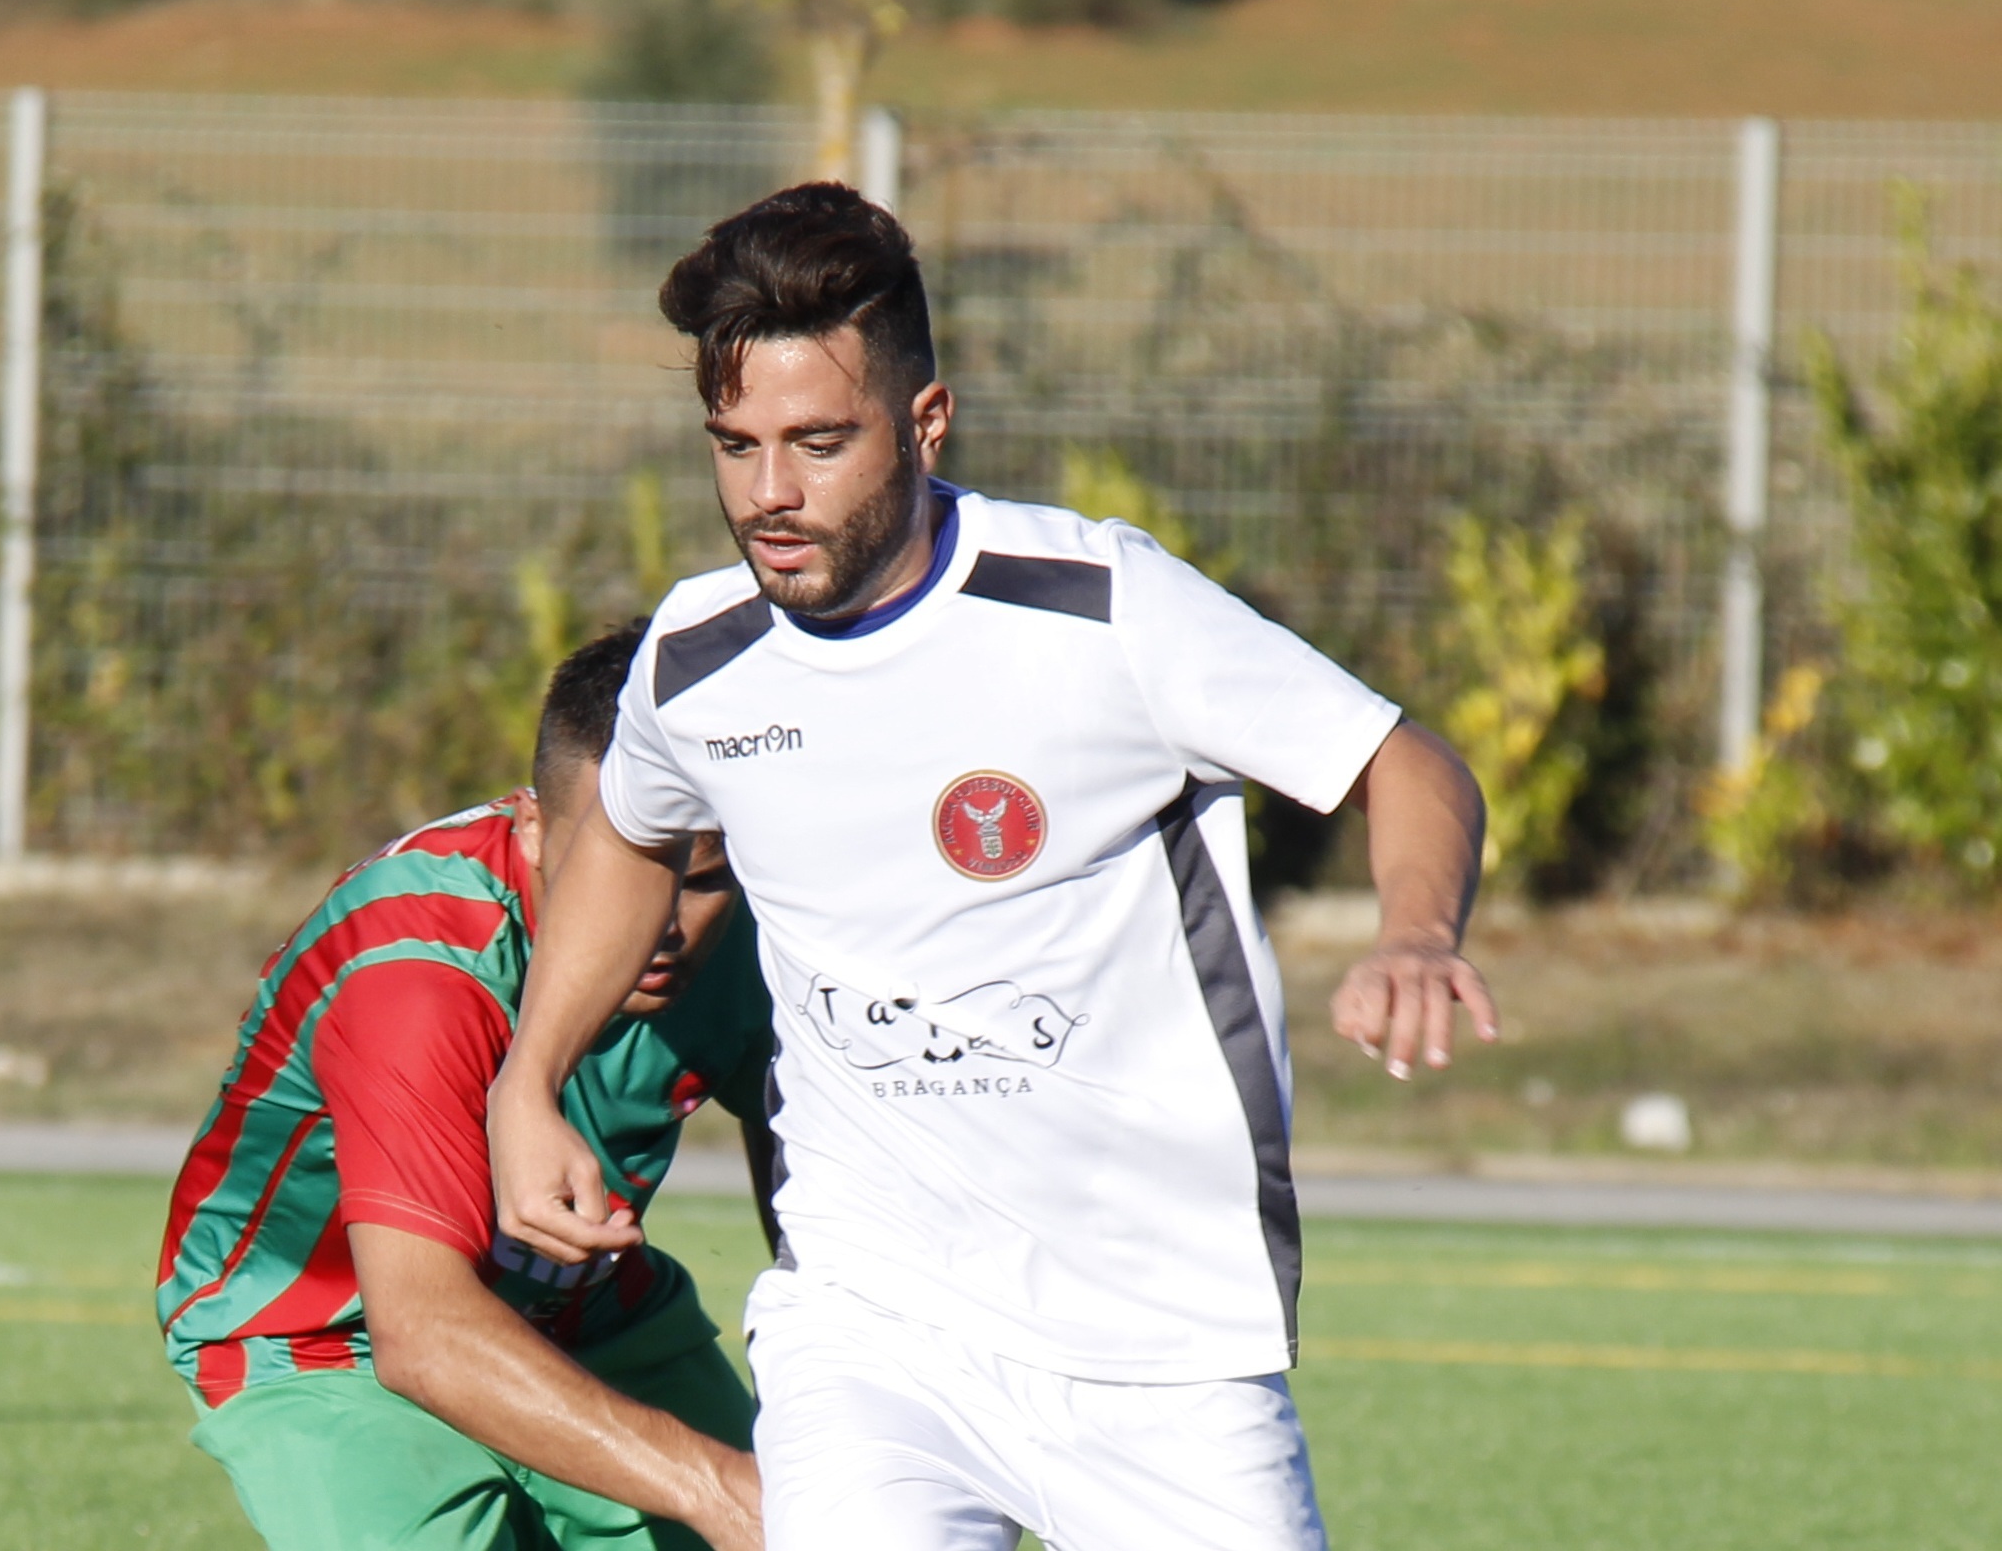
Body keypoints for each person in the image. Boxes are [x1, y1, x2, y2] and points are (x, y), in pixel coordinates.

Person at [486, 183, 1500, 1551]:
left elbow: (1402, 761)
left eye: (817, 443)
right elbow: (627, 827)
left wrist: (1418, 933)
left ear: (927, 420)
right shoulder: (699, 662)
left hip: (1157, 1349)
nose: (769, 494)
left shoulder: (1099, 609)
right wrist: (530, 1078)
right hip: (873, 1331)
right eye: (734, 447)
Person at [156, 623, 772, 1551]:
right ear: (531, 827)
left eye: (704, 879)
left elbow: (829, 1222)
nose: (666, 925)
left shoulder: (771, 933)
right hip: (334, 1333)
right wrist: (720, 1490)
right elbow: (427, 1335)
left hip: (593, 1308)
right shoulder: (415, 968)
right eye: (630, 864)